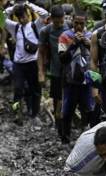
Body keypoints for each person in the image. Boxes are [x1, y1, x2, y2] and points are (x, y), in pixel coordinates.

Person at [4, 2, 48, 125]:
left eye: (24, 16)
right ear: (18, 18)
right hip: (18, 64)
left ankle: (34, 113)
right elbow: (1, 17)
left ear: (28, 15)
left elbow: (45, 14)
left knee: (35, 89)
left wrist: (29, 5)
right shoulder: (15, 27)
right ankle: (17, 114)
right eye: (20, 17)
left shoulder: (35, 25)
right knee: (18, 89)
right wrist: (14, 8)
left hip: (33, 62)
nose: (23, 19)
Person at [58, 10, 93, 144]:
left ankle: (87, 139)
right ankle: (65, 139)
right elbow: (62, 58)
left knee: (89, 110)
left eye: (81, 23)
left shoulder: (90, 36)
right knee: (67, 111)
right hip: (69, 80)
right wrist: (73, 44)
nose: (79, 26)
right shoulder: (65, 36)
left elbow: (97, 56)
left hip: (87, 81)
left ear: (86, 23)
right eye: (76, 23)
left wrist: (87, 43)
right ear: (72, 21)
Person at [38, 4, 70, 135]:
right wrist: (41, 72)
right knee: (57, 98)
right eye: (56, 22)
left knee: (70, 97)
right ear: (51, 19)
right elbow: (40, 52)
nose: (59, 24)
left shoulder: (71, 26)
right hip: (56, 70)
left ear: (64, 18)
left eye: (61, 21)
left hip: (72, 70)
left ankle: (68, 123)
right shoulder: (46, 31)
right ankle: (59, 126)